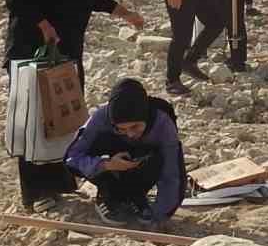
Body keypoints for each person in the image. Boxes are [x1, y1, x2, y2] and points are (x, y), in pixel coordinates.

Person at [3, 0, 144, 206]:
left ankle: (61, 182)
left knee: (64, 116)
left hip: (67, 55)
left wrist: (126, 14)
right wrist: (43, 24)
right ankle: (38, 193)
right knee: (37, 121)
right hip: (34, 54)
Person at [64, 79, 185, 223]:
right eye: (121, 129)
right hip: (109, 165)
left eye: (135, 127)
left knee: (160, 157)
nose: (130, 134)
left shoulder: (163, 123)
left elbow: (172, 173)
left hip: (142, 164)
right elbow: (72, 158)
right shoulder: (100, 118)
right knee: (98, 142)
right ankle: (108, 196)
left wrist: (160, 216)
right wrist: (106, 164)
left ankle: (136, 196)